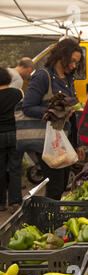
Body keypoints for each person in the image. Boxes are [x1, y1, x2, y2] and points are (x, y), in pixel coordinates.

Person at [22, 38, 86, 200]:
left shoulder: (68, 79)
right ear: (60, 55)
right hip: (48, 142)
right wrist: (56, 111)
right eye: (71, 61)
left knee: (62, 183)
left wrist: (76, 143)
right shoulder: (43, 76)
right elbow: (28, 107)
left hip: (64, 139)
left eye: (76, 63)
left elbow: (71, 116)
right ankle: (48, 220)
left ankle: (52, 216)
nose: (73, 66)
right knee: (55, 185)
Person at [0, 67, 24, 212]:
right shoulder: (17, 93)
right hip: (16, 134)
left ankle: (1, 202)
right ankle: (15, 201)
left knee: (0, 169)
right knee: (15, 168)